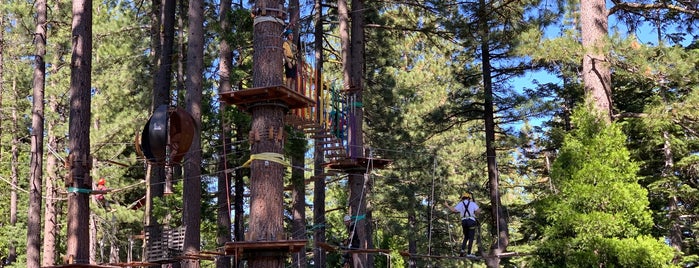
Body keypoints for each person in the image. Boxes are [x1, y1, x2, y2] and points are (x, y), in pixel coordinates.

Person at [444, 192, 481, 258]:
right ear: (469, 198)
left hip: (464, 221)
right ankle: (469, 253)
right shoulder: (472, 203)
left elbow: (454, 210)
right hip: (471, 221)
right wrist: (474, 213)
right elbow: (478, 211)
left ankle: (462, 251)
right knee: (471, 237)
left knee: (466, 237)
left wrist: (447, 206)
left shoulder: (460, 204)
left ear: (463, 198)